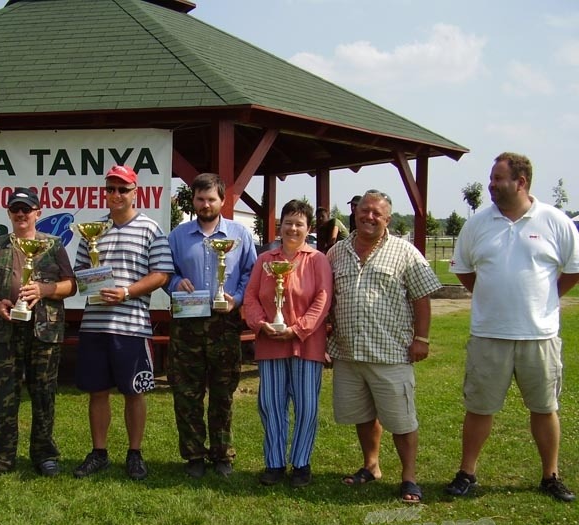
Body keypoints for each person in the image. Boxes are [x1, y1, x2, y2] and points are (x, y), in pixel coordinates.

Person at [445, 152, 579, 502]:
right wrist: (492, 296)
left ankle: (550, 476)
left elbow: (573, 268)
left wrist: (545, 297)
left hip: (540, 335)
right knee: (479, 408)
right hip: (489, 334)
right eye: (491, 178)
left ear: (520, 182)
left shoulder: (554, 220)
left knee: (544, 408)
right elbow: (463, 268)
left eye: (497, 178)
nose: (491, 184)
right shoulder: (477, 224)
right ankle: (467, 473)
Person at [328, 190, 440, 503]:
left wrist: (422, 338)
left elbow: (422, 298)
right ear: (356, 212)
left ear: (387, 219)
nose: (370, 217)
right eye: (365, 210)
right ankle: (371, 466)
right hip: (349, 353)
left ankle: (409, 478)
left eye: (377, 213)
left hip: (390, 353)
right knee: (363, 415)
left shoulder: (406, 253)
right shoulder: (336, 253)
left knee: (402, 420)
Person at [72, 165, 173, 480]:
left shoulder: (150, 229)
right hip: (94, 325)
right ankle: (99, 452)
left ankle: (134, 453)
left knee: (135, 391)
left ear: (135, 192)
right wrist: (92, 283)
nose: (116, 195)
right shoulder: (92, 229)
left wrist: (127, 292)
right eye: (111, 189)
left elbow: (161, 274)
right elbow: (79, 273)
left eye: (122, 189)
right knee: (97, 391)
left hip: (132, 326)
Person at [0, 188, 76, 480]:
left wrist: (44, 290)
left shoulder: (53, 246)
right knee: (3, 396)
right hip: (3, 328)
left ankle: (45, 454)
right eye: (15, 209)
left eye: (26, 209)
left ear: (37, 213)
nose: (21, 214)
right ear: (9, 213)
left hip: (44, 330)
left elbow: (71, 285)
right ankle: (0, 457)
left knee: (44, 394)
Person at [166, 173, 256, 478]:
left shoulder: (240, 235)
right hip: (187, 323)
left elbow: (251, 273)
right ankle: (193, 455)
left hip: (224, 322)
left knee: (222, 392)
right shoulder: (177, 236)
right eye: (201, 199)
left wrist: (238, 298)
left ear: (222, 201)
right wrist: (177, 282)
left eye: (211, 199)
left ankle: (222, 454)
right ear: (193, 201)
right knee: (186, 392)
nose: (206, 204)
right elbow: (164, 272)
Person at [243, 199, 332, 487]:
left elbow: (322, 299)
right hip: (270, 342)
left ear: (308, 228)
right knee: (270, 404)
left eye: (299, 223)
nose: (293, 228)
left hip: (307, 344)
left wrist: (298, 329)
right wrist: (260, 324)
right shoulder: (265, 260)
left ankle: (302, 463)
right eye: (288, 222)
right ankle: (275, 463)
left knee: (306, 406)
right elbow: (251, 297)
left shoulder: (317, 260)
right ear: (280, 226)